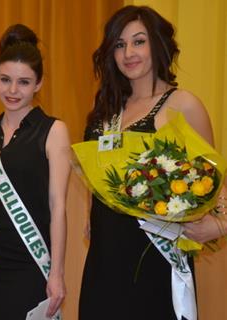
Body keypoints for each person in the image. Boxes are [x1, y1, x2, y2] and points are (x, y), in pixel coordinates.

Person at [79, 5, 226, 320]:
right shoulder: (105, 105)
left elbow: (217, 183)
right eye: (119, 44)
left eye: (138, 41)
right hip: (105, 255)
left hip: (155, 256)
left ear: (158, 45)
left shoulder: (183, 105)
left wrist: (217, 226)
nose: (128, 52)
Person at [0, 24, 70, 319]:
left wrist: (57, 273)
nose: (12, 90)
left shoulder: (53, 130)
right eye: (5, 80)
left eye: (23, 82)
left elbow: (58, 205)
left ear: (38, 84)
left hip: (30, 263)